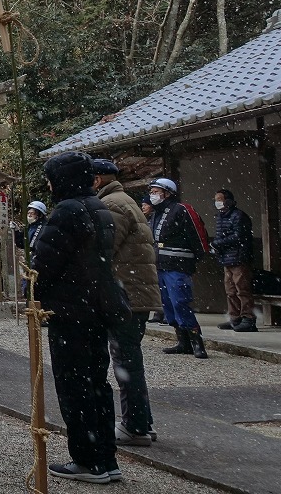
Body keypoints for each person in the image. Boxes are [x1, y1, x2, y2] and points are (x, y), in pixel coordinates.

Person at [33, 152, 121, 484]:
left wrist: (34, 286)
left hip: (71, 310)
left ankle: (87, 460)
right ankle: (106, 457)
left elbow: (45, 265)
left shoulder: (67, 211)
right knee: (97, 383)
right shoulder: (98, 207)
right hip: (97, 306)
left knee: (74, 386)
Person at [92, 159, 160, 447]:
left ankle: (135, 425)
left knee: (125, 362)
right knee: (130, 360)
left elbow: (103, 250)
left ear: (97, 180)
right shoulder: (124, 200)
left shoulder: (112, 205)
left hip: (126, 294)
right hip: (134, 292)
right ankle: (142, 421)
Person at [148, 177, 208, 358]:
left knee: (180, 302)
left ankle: (197, 342)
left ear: (167, 193)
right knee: (167, 305)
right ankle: (183, 341)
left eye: (156, 191)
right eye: (151, 192)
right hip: (160, 265)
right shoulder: (156, 213)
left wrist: (197, 256)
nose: (152, 195)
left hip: (178, 265)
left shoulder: (182, 210)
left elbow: (198, 235)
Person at [211, 189, 256, 332]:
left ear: (228, 201)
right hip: (227, 258)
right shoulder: (221, 216)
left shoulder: (238, 216)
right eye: (216, 200)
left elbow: (239, 236)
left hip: (239, 257)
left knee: (242, 289)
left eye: (219, 199)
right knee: (230, 291)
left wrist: (218, 243)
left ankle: (248, 318)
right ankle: (235, 318)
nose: (217, 203)